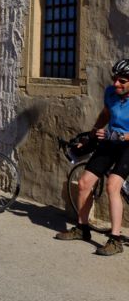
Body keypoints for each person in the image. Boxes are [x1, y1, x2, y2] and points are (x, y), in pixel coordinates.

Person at [55, 59, 129, 256]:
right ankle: (82, 228)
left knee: (112, 185)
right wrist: (91, 133)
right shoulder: (111, 93)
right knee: (84, 183)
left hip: (127, 145)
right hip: (110, 142)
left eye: (122, 81)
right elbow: (106, 114)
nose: (116, 84)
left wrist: (119, 135)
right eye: (115, 79)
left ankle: (115, 240)